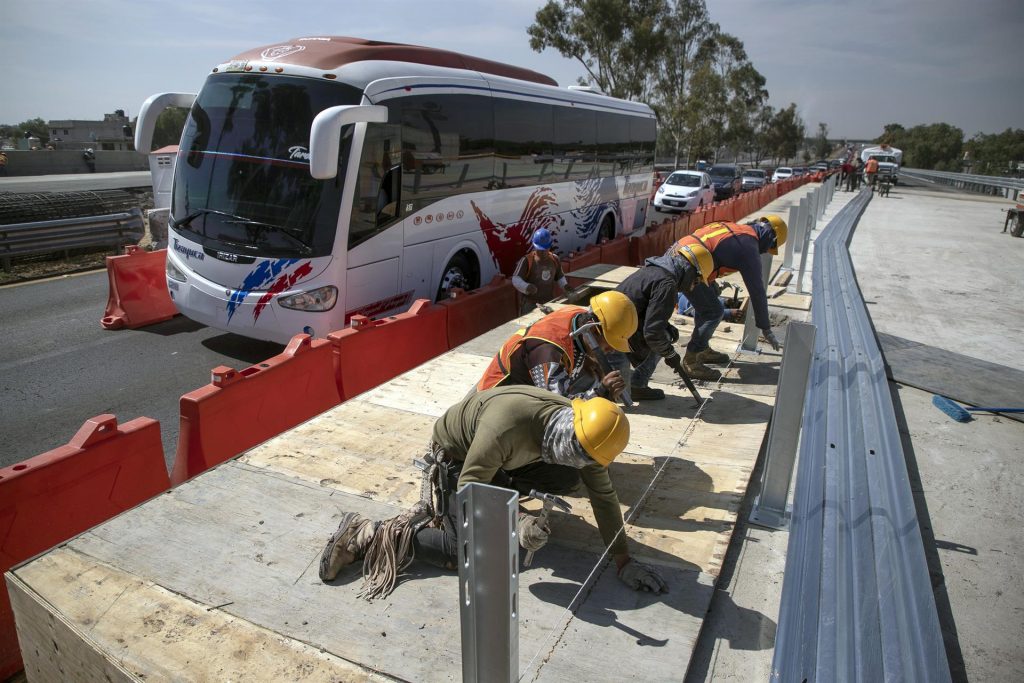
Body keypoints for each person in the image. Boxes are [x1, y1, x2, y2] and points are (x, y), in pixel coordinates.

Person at [318, 385, 667, 597]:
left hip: (504, 459)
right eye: (578, 456)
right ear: (566, 436)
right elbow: (472, 486)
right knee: (462, 553)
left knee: (567, 479)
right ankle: (367, 533)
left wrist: (623, 561)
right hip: (460, 458)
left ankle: (506, 492)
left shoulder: (585, 433)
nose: (585, 462)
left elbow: (603, 498)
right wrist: (515, 522)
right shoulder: (507, 427)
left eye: (589, 459)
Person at [669, 216, 787, 380]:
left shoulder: (738, 229)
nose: (766, 251)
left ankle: (702, 348)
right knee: (713, 312)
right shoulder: (749, 248)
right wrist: (765, 328)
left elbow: (713, 248)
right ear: (771, 239)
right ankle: (692, 360)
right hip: (688, 264)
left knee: (709, 299)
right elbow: (757, 292)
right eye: (770, 248)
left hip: (681, 253)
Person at [475, 290, 637, 401]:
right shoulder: (547, 352)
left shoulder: (577, 314)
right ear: (594, 330)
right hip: (494, 399)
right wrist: (602, 392)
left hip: (523, 383)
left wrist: (588, 359)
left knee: (590, 376)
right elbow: (558, 406)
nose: (612, 349)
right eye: (610, 343)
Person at [611, 241, 713, 401]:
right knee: (620, 397)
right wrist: (670, 354)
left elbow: (643, 309)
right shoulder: (666, 284)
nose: (693, 288)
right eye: (696, 281)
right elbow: (652, 333)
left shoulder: (656, 271)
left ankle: (637, 384)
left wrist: (665, 325)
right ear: (690, 271)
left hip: (620, 327)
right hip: (609, 335)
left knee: (665, 334)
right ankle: (631, 386)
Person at [512, 228, 570, 314]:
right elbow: (516, 279)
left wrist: (565, 286)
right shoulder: (526, 260)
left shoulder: (554, 259)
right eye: (540, 250)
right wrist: (526, 287)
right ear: (535, 246)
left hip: (548, 303)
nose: (543, 253)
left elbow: (560, 276)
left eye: (545, 249)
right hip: (530, 305)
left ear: (549, 246)